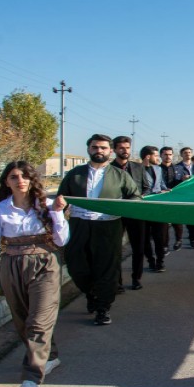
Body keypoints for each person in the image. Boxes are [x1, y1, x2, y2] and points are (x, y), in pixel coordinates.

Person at [0, 161, 69, 387]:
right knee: (22, 318)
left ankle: (32, 376)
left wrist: (58, 214)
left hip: (45, 264)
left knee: (39, 320)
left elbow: (61, 241)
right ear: (6, 182)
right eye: (13, 176)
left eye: (24, 176)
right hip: (12, 265)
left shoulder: (47, 205)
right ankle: (50, 357)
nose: (20, 180)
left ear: (32, 180)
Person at [57, 134, 141, 326]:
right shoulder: (75, 174)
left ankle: (103, 307)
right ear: (88, 149)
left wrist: (122, 208)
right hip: (79, 225)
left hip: (108, 227)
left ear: (110, 151)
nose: (99, 151)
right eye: (95, 147)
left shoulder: (120, 175)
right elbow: (60, 199)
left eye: (103, 148)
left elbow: (135, 197)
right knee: (76, 266)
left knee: (107, 268)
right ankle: (91, 292)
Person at [111, 136, 150, 291]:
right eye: (121, 148)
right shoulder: (108, 169)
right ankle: (117, 282)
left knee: (138, 248)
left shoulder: (138, 168)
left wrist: (139, 198)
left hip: (136, 213)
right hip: (116, 214)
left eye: (127, 148)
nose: (124, 151)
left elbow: (146, 187)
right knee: (115, 249)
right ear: (114, 149)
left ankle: (136, 278)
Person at [141, 145, 169, 272]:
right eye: (156, 155)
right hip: (144, 208)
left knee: (160, 237)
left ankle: (160, 261)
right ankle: (150, 260)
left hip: (158, 207)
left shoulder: (158, 169)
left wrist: (166, 190)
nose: (158, 158)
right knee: (145, 237)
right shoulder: (136, 169)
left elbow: (161, 184)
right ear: (148, 156)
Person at [159, 146, 186, 251]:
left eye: (170, 154)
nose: (168, 156)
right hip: (162, 199)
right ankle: (165, 245)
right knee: (164, 224)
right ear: (161, 155)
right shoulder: (157, 169)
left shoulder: (179, 168)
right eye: (165, 154)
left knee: (177, 222)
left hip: (176, 199)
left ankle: (178, 240)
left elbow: (183, 184)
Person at [176, 147, 194, 249]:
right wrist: (181, 180)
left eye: (189, 152)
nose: (188, 154)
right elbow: (174, 181)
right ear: (181, 155)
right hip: (183, 196)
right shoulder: (177, 167)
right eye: (185, 153)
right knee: (184, 218)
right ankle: (180, 239)